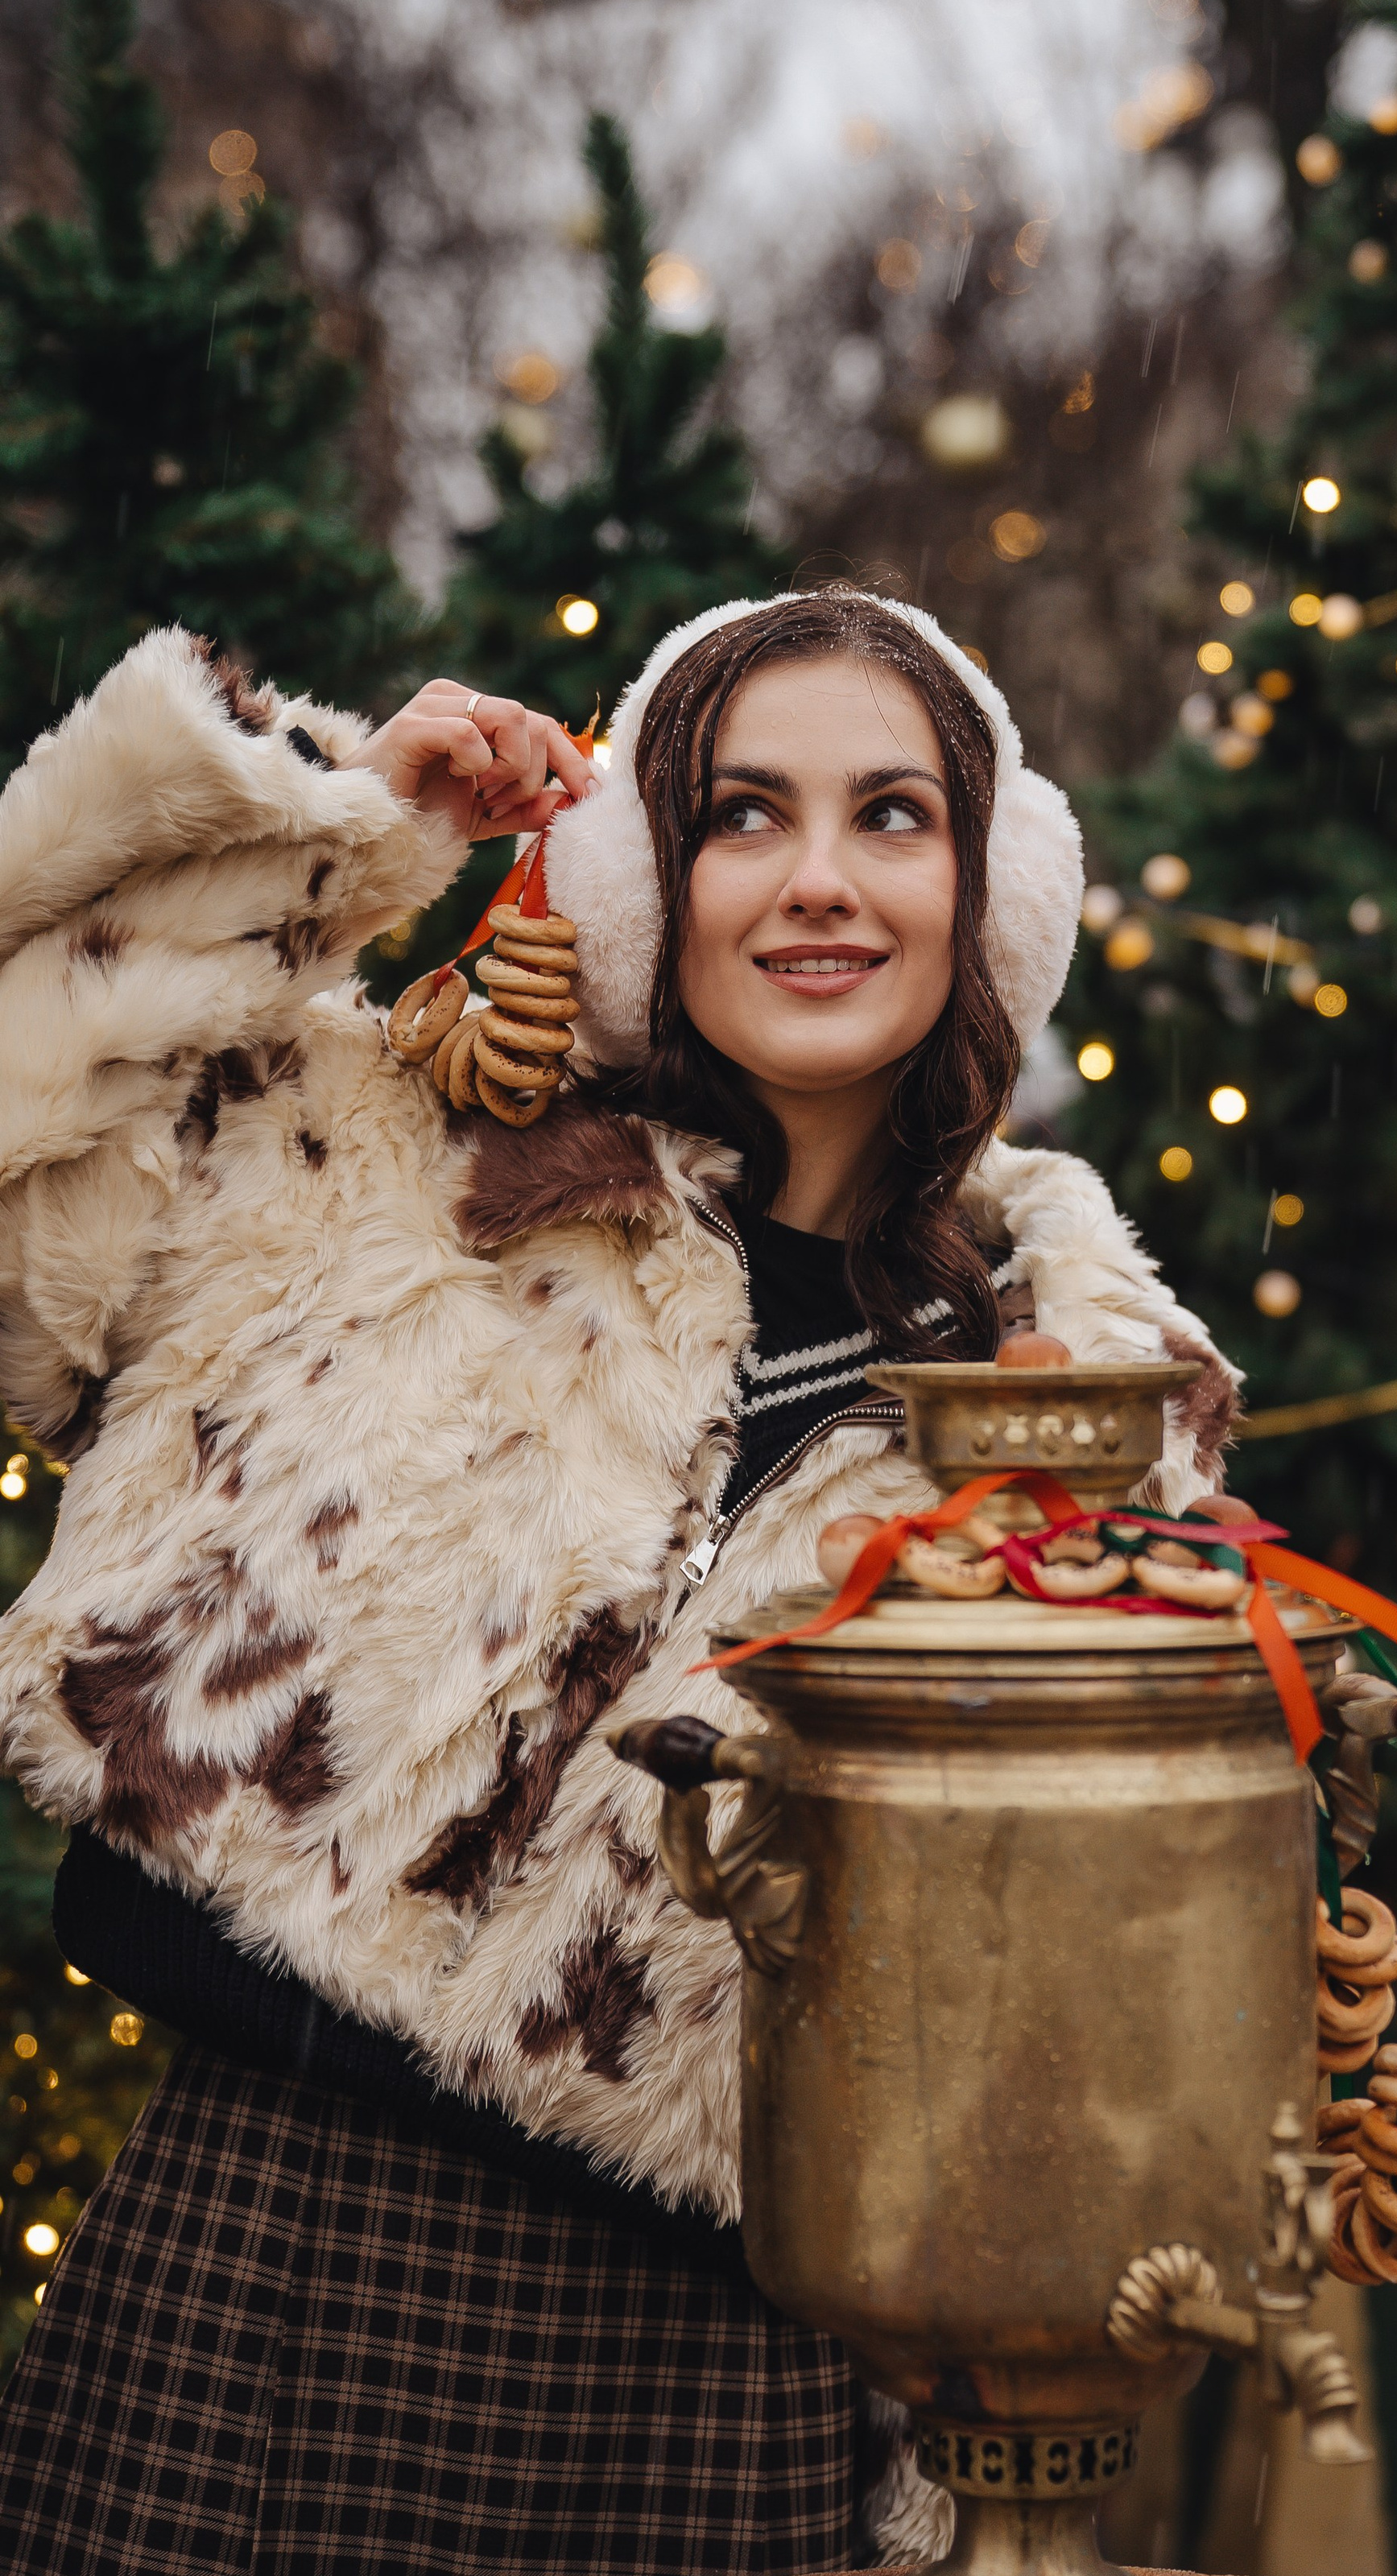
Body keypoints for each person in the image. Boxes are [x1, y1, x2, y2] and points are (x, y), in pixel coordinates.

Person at [0, 587, 1238, 2574]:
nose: (817, 880)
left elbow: (1080, 2040)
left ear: (983, 885)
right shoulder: (368, 1171)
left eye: (891, 817)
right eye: (741, 812)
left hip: (716, 2392)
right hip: (253, 2281)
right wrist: (334, 839)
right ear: (642, 874)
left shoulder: (1069, 1413)